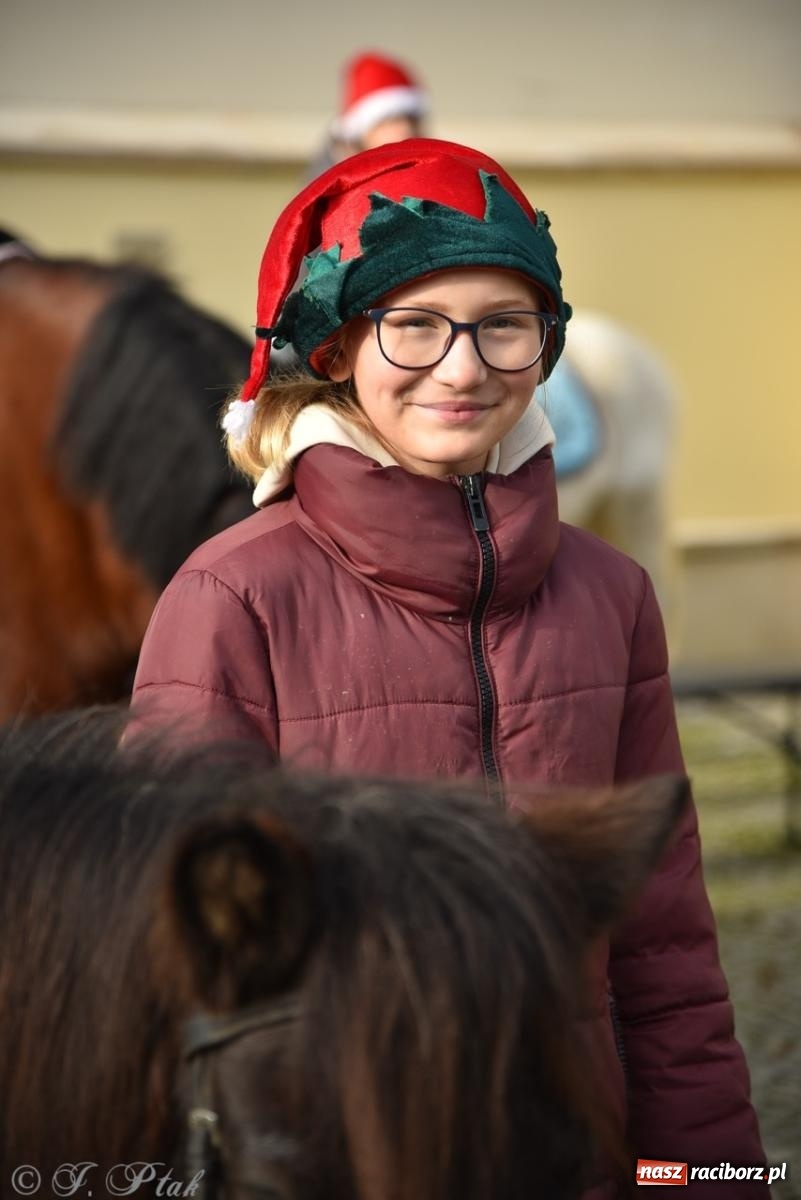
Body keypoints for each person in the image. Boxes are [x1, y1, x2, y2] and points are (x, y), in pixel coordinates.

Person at [131, 139, 766, 1197]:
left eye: (503, 325)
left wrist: (706, 1177)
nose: (464, 367)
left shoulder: (614, 597)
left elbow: (666, 952)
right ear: (336, 349)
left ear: (545, 347)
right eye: (414, 325)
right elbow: (175, 969)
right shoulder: (230, 597)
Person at [304, 49, 428, 180]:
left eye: (412, 119)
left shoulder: (434, 179)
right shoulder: (323, 193)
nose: (406, 129)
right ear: (361, 130)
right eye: (391, 119)